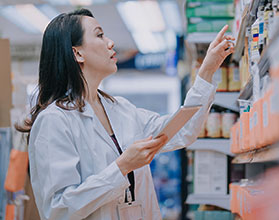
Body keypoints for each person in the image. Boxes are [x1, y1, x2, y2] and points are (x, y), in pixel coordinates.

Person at [19, 8, 234, 220]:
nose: (110, 43)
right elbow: (58, 209)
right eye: (100, 35)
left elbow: (184, 131)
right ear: (77, 53)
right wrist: (122, 167)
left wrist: (206, 72)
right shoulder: (54, 121)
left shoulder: (120, 109)